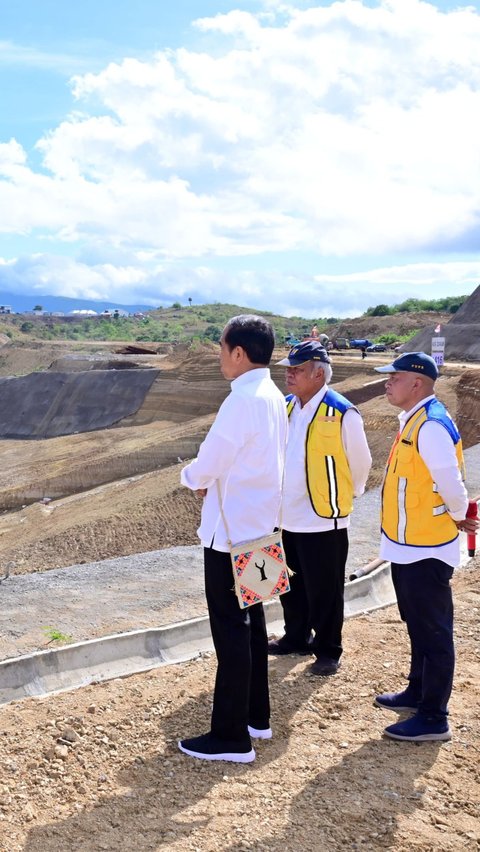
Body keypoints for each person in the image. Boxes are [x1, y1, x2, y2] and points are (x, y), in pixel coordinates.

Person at [178, 315, 287, 763]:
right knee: (254, 623)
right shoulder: (274, 395)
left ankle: (230, 737)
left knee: (232, 631)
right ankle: (255, 719)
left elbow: (210, 461)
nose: (220, 356)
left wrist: (190, 476)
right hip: (261, 527)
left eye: (222, 348)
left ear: (238, 353)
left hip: (230, 534)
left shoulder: (241, 400)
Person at [373, 352, 478, 742]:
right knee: (416, 622)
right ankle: (417, 690)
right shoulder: (415, 419)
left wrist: (457, 514)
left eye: (394, 377)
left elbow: (450, 481)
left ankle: (434, 716)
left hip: (427, 546)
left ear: (416, 382)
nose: (387, 383)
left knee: (433, 631)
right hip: (408, 544)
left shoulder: (430, 424)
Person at [268, 340, 372, 675]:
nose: (289, 375)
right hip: (287, 517)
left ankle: (328, 650)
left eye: (296, 369)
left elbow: (361, 462)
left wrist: (346, 496)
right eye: (288, 369)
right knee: (291, 583)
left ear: (318, 373)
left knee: (325, 589)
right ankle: (295, 636)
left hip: (324, 519)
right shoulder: (286, 407)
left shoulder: (341, 412)